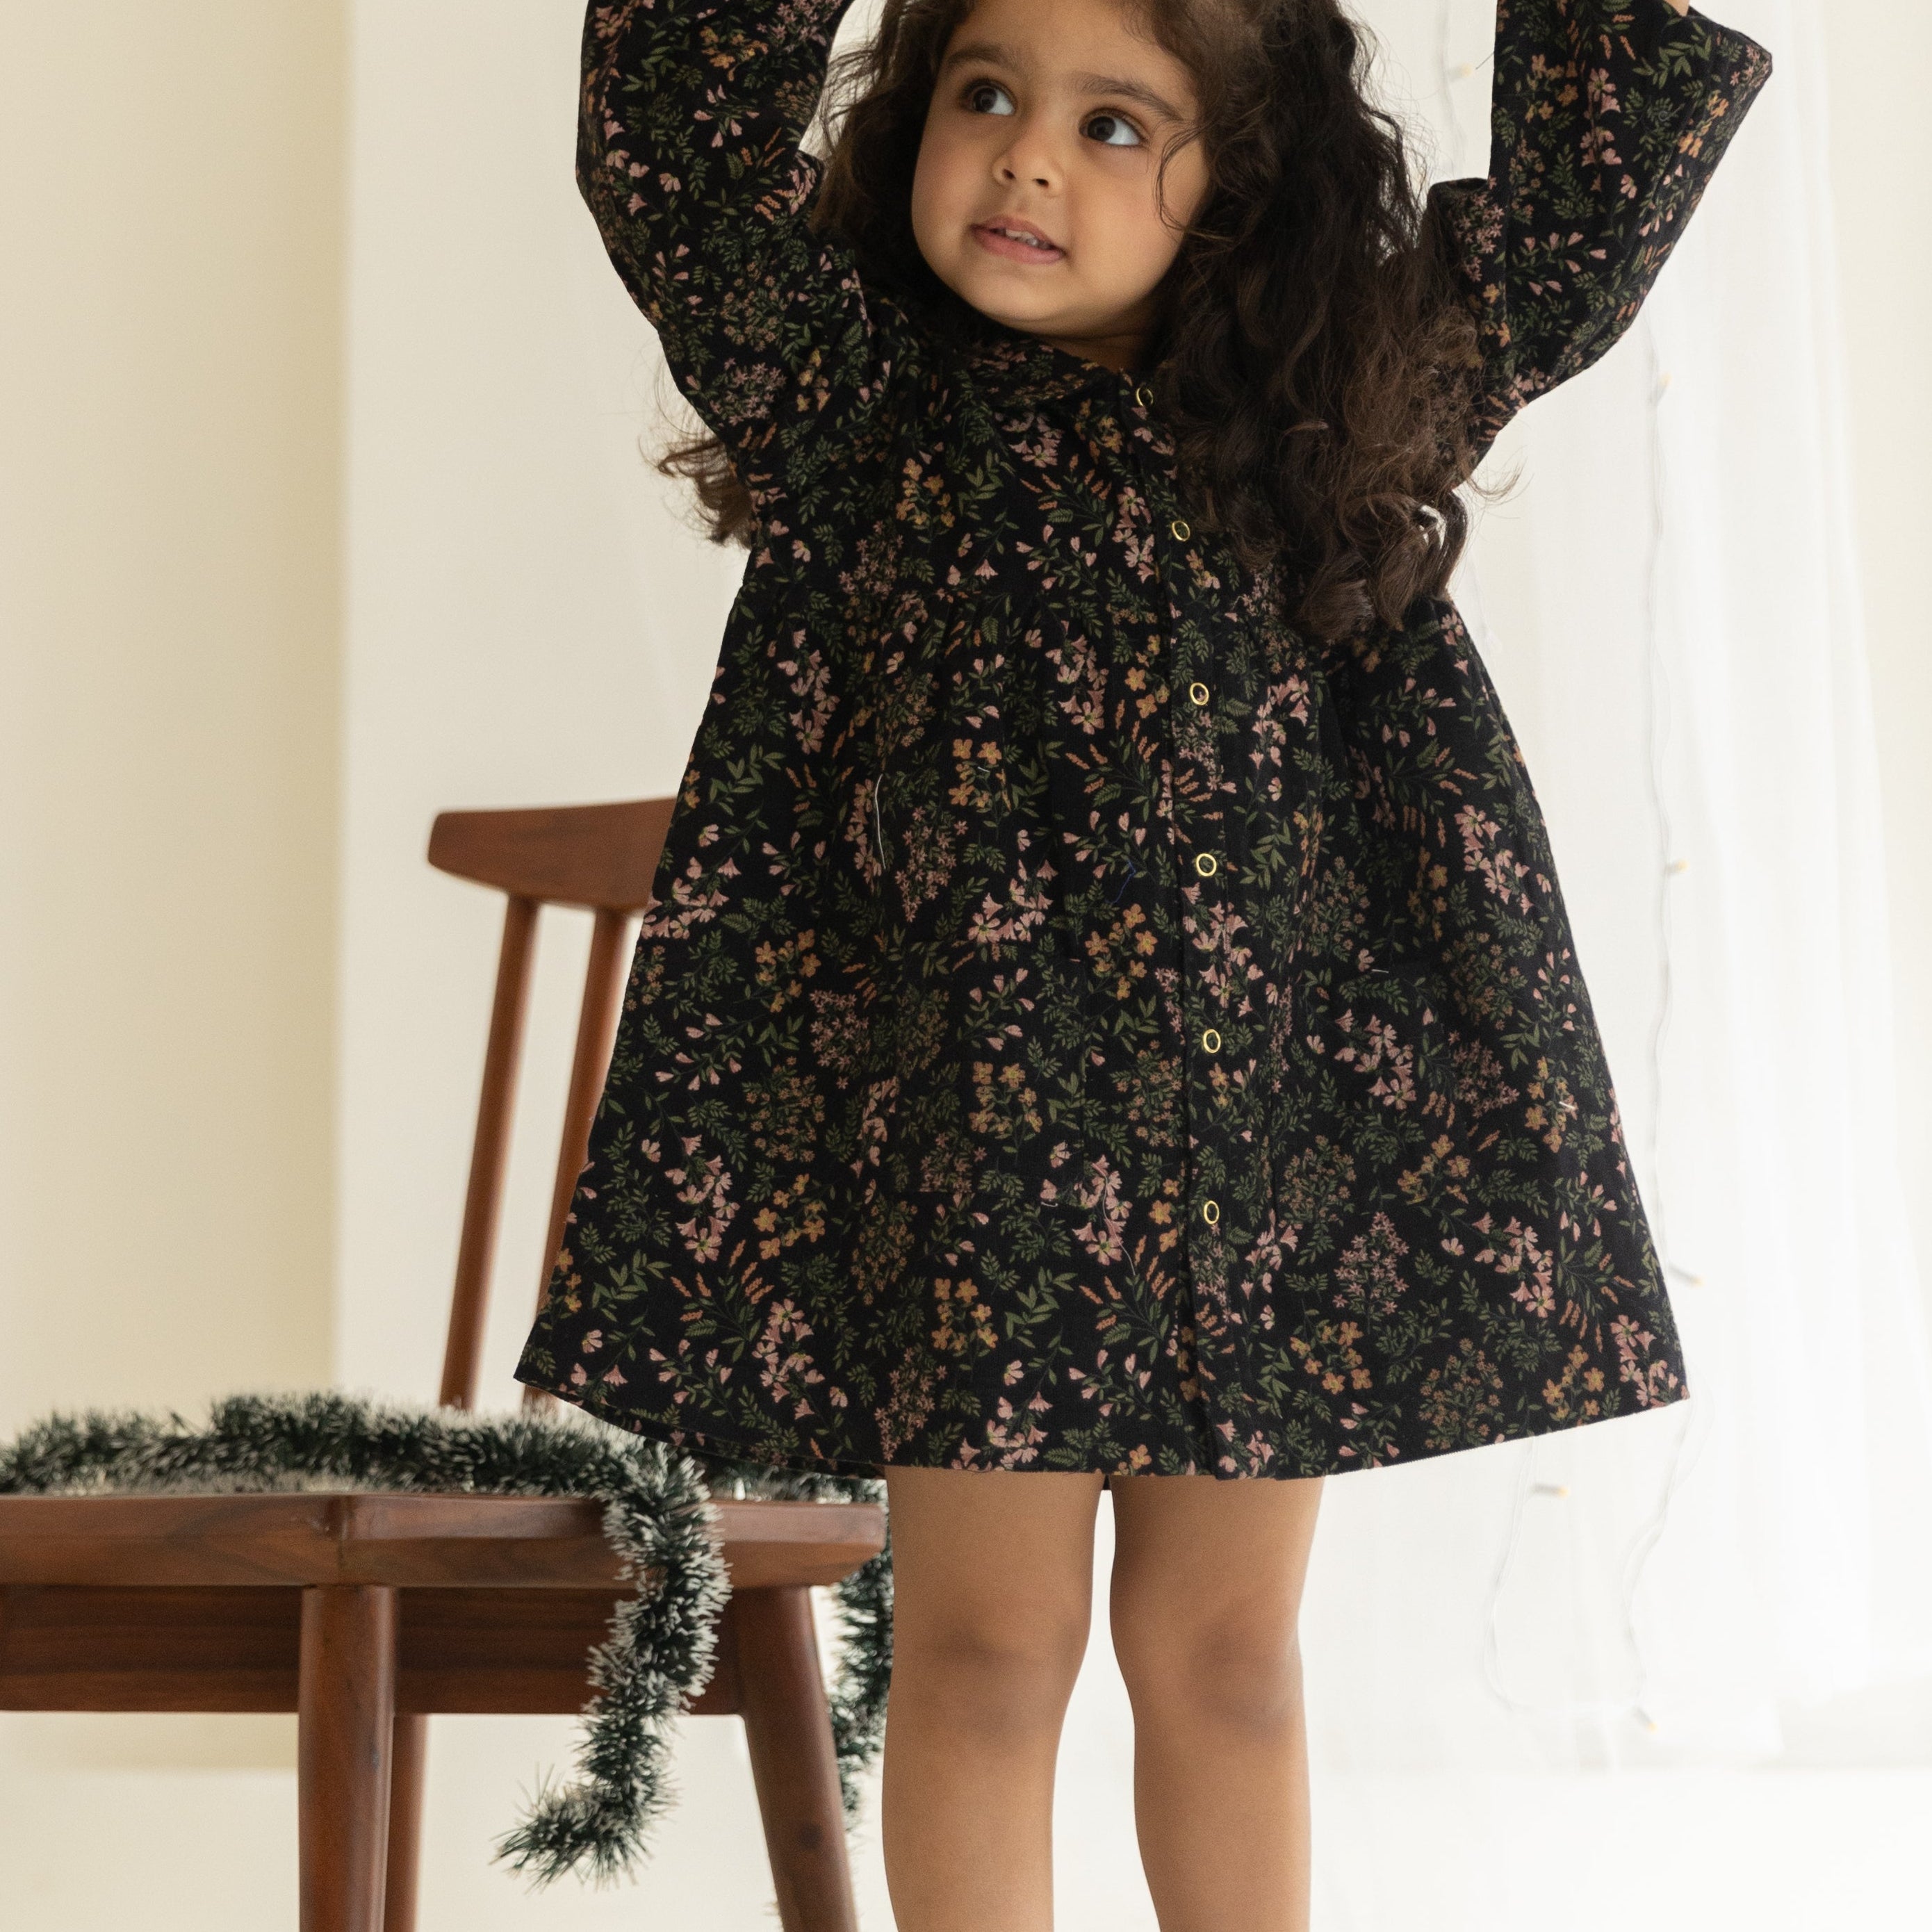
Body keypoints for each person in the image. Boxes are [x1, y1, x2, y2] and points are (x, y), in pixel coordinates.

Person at [518, 0, 1769, 1922]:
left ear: (1239, 191)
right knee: (982, 1654)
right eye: (986, 94)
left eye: (1117, 128)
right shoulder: (855, 393)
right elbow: (674, 148)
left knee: (1225, 1660)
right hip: (978, 1163)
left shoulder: (1338, 411)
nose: (1026, 155)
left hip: (1257, 1152)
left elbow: (1576, 229)